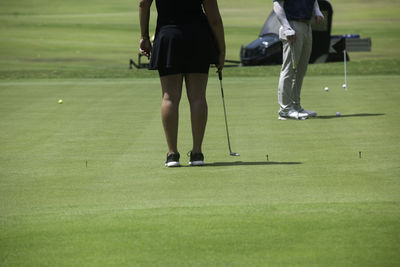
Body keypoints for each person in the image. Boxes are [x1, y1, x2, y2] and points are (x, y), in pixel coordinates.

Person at [139, 0, 225, 167]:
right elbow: (214, 18)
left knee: (169, 97)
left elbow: (143, 4)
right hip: (198, 38)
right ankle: (197, 153)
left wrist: (144, 37)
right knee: (198, 97)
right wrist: (221, 50)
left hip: (168, 38)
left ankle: (172, 154)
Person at [273, 0, 324, 120]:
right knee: (289, 69)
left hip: (307, 26)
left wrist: (317, 11)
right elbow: (277, 4)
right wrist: (286, 27)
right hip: (292, 26)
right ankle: (285, 110)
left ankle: (295, 106)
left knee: (301, 70)